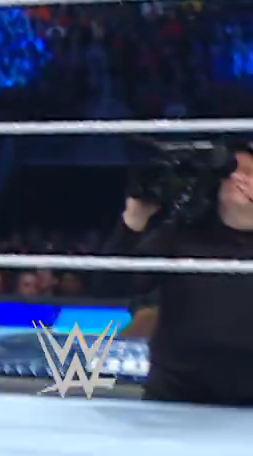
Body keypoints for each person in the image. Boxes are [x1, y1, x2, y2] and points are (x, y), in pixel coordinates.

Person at [106, 141, 253, 405]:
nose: (240, 179)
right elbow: (110, 285)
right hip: (176, 395)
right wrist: (134, 219)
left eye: (250, 173)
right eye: (233, 171)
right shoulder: (179, 235)